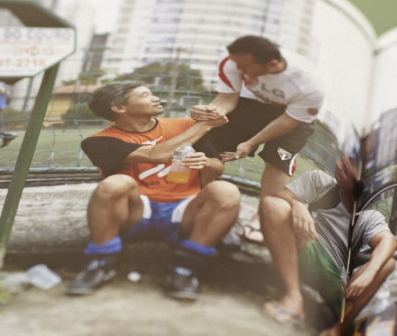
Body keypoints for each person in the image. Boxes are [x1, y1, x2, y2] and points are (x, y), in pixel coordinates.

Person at [66, 81, 241, 299]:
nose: (155, 98)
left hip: (184, 209)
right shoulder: (98, 142)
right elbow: (155, 155)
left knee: (226, 191)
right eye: (145, 95)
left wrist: (206, 163)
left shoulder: (187, 126)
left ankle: (184, 268)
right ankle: (100, 263)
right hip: (137, 210)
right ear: (119, 108)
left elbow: (217, 168)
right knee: (114, 184)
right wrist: (206, 125)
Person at [191, 35, 324, 243]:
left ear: (271, 65)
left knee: (278, 160)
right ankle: (197, 201)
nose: (238, 70)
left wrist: (251, 143)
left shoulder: (309, 85)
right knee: (207, 141)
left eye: (244, 67)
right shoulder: (232, 60)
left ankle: (262, 218)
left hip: (290, 117)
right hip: (248, 104)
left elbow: (288, 122)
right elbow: (226, 100)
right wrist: (210, 111)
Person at [260, 157, 396, 335]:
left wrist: (370, 271)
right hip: (306, 248)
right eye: (343, 160)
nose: (340, 165)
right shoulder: (320, 181)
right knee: (273, 205)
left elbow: (389, 241)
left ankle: (339, 328)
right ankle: (294, 297)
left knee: (388, 263)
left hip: (334, 277)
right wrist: (297, 204)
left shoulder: (369, 217)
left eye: (348, 167)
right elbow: (278, 197)